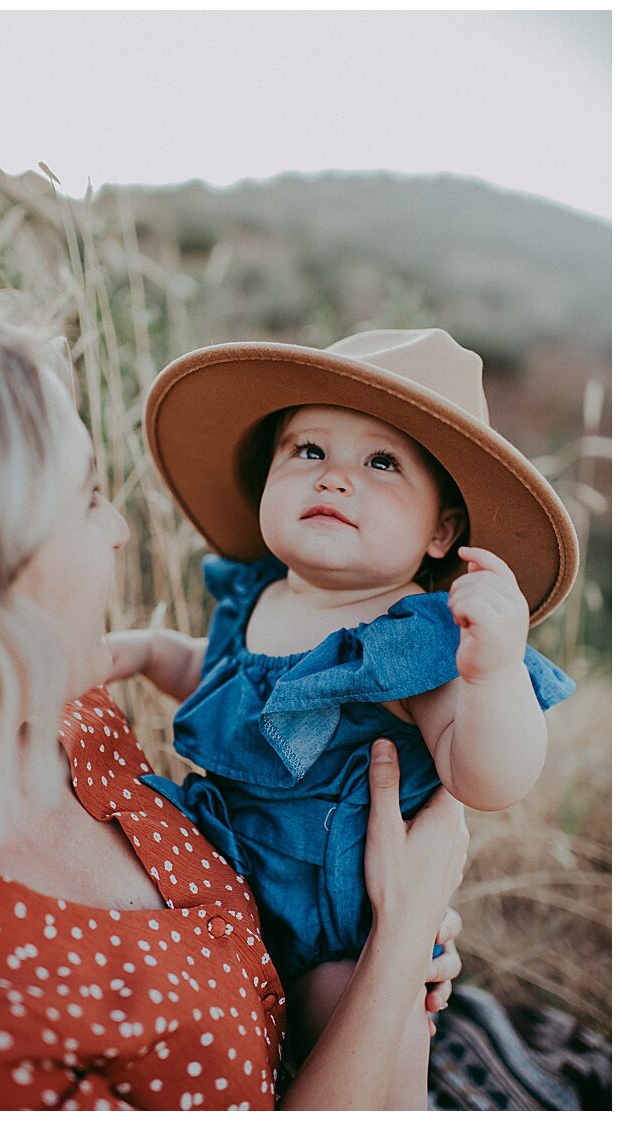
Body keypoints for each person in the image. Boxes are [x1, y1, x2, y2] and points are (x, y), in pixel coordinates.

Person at [0, 285, 467, 1109]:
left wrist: (368, 944)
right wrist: (401, 939)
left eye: (379, 463)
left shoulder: (73, 713)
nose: (119, 526)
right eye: (86, 496)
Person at [121, 330, 575, 1106]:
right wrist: (130, 651)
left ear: (441, 532)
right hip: (220, 892)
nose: (334, 477)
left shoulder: (414, 639)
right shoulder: (258, 595)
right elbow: (211, 674)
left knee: (370, 1027)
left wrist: (494, 674)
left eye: (381, 463)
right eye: (307, 451)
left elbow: (486, 776)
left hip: (342, 940)